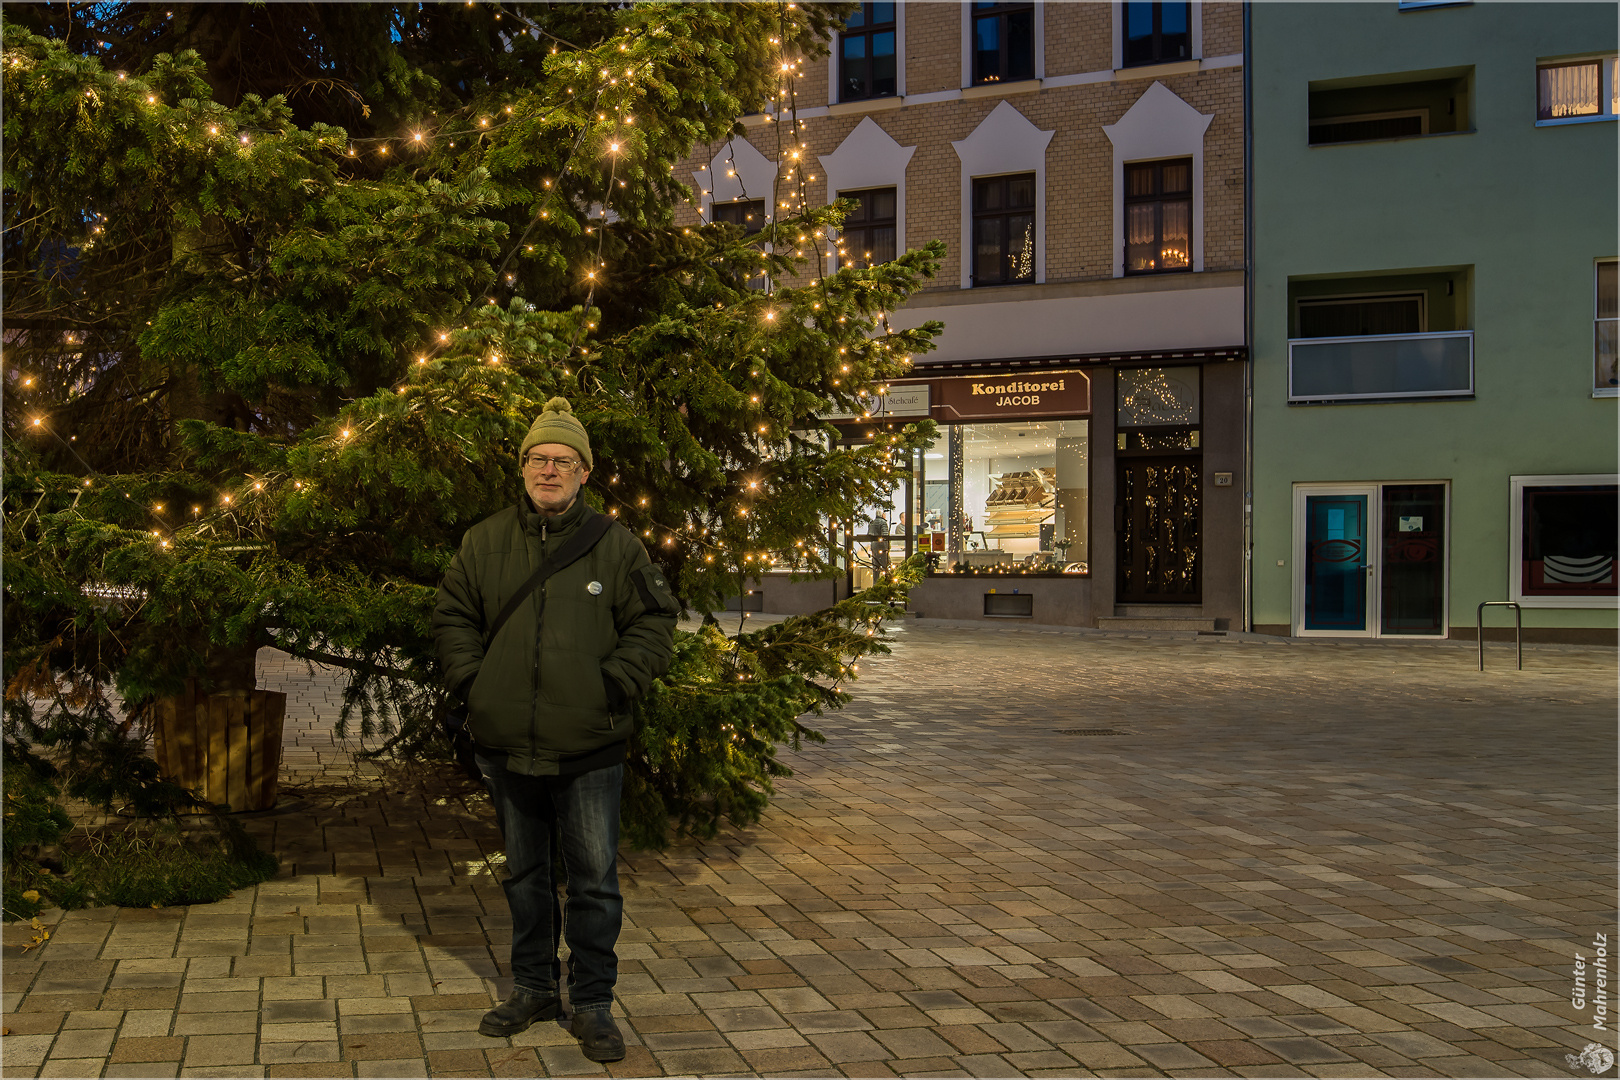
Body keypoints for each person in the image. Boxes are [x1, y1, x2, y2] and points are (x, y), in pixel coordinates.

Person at [432, 397, 678, 1062]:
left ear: (583, 474)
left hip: (590, 743)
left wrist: (614, 683)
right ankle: (535, 988)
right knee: (526, 876)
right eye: (539, 459)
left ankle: (593, 1004)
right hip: (507, 742)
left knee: (594, 880)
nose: (549, 469)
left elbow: (655, 621)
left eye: (563, 461)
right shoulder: (484, 542)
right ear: (521, 469)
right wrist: (475, 683)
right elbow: (453, 614)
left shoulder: (616, 545)